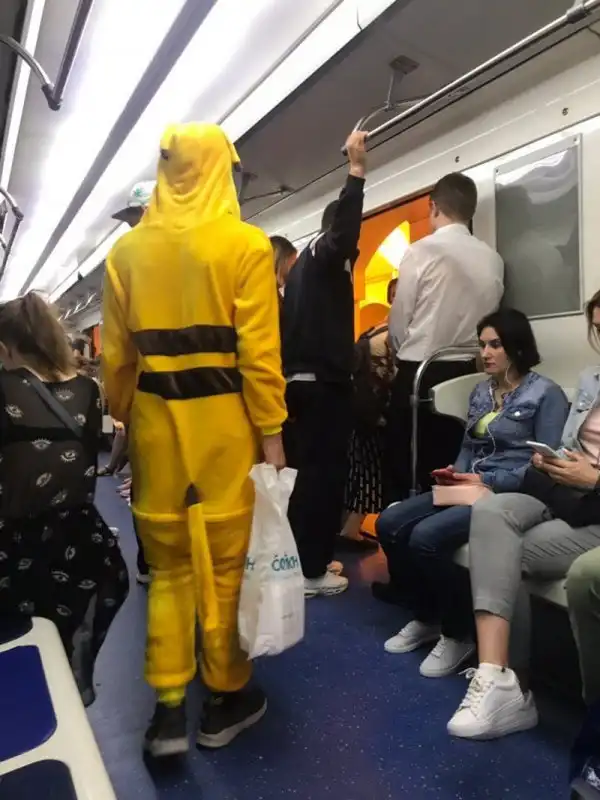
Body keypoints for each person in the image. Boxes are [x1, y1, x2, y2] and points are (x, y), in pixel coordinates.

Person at [102, 122, 287, 757]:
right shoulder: (246, 246)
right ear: (218, 171)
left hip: (157, 435)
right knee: (228, 569)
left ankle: (167, 711)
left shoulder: (125, 255)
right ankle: (226, 698)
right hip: (226, 434)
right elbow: (259, 358)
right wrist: (272, 437)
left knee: (171, 571)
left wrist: (128, 416)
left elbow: (117, 364)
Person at [376, 309, 568, 679]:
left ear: (517, 347)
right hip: (470, 485)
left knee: (426, 538)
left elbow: (543, 464)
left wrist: (486, 481)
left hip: (507, 491)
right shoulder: (482, 391)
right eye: (482, 345)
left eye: (495, 344)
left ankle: (457, 632)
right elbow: (469, 445)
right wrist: (455, 473)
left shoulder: (546, 394)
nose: (486, 353)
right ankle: (427, 617)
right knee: (389, 522)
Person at [447, 291, 600, 741]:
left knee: (500, 550)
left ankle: (515, 684)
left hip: (593, 501)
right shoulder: (591, 379)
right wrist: (553, 461)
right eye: (599, 329)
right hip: (569, 494)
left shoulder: (541, 390)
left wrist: (593, 477)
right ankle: (499, 678)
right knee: (491, 516)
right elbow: (571, 443)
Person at [0, 292, 128, 706]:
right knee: (60, 632)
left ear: (4, 348)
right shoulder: (89, 390)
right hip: (79, 541)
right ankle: (66, 691)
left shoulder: (3, 388)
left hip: (15, 544)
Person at [281, 131, 367, 597]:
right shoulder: (326, 254)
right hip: (323, 387)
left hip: (301, 384)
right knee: (324, 480)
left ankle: (303, 561)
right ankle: (311, 572)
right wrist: (356, 173)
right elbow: (344, 235)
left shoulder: (302, 271)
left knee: (308, 480)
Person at [386, 173, 504, 502]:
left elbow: (400, 320)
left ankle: (406, 526)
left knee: (408, 469)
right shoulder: (493, 260)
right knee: (453, 465)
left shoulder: (421, 251)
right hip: (469, 372)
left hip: (421, 372)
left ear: (433, 207)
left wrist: (400, 354)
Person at [100, 181, 156, 585]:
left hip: (146, 398)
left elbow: (117, 352)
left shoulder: (123, 259)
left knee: (150, 487)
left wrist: (122, 410)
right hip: (207, 399)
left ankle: (151, 564)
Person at [341, 278, 397, 547]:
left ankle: (346, 527)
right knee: (370, 472)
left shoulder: (372, 331)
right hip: (376, 414)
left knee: (358, 469)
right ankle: (351, 531)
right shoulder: (393, 336)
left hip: (357, 409)